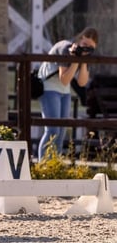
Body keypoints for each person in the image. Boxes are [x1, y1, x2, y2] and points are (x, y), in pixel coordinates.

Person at [36, 26, 99, 160]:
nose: (86, 49)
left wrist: (83, 61)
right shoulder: (66, 48)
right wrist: (76, 58)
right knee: (52, 129)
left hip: (64, 91)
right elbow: (64, 78)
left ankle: (55, 163)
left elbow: (82, 82)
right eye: (84, 45)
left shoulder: (86, 55)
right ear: (79, 40)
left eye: (90, 47)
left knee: (62, 130)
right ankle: (42, 165)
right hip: (49, 87)